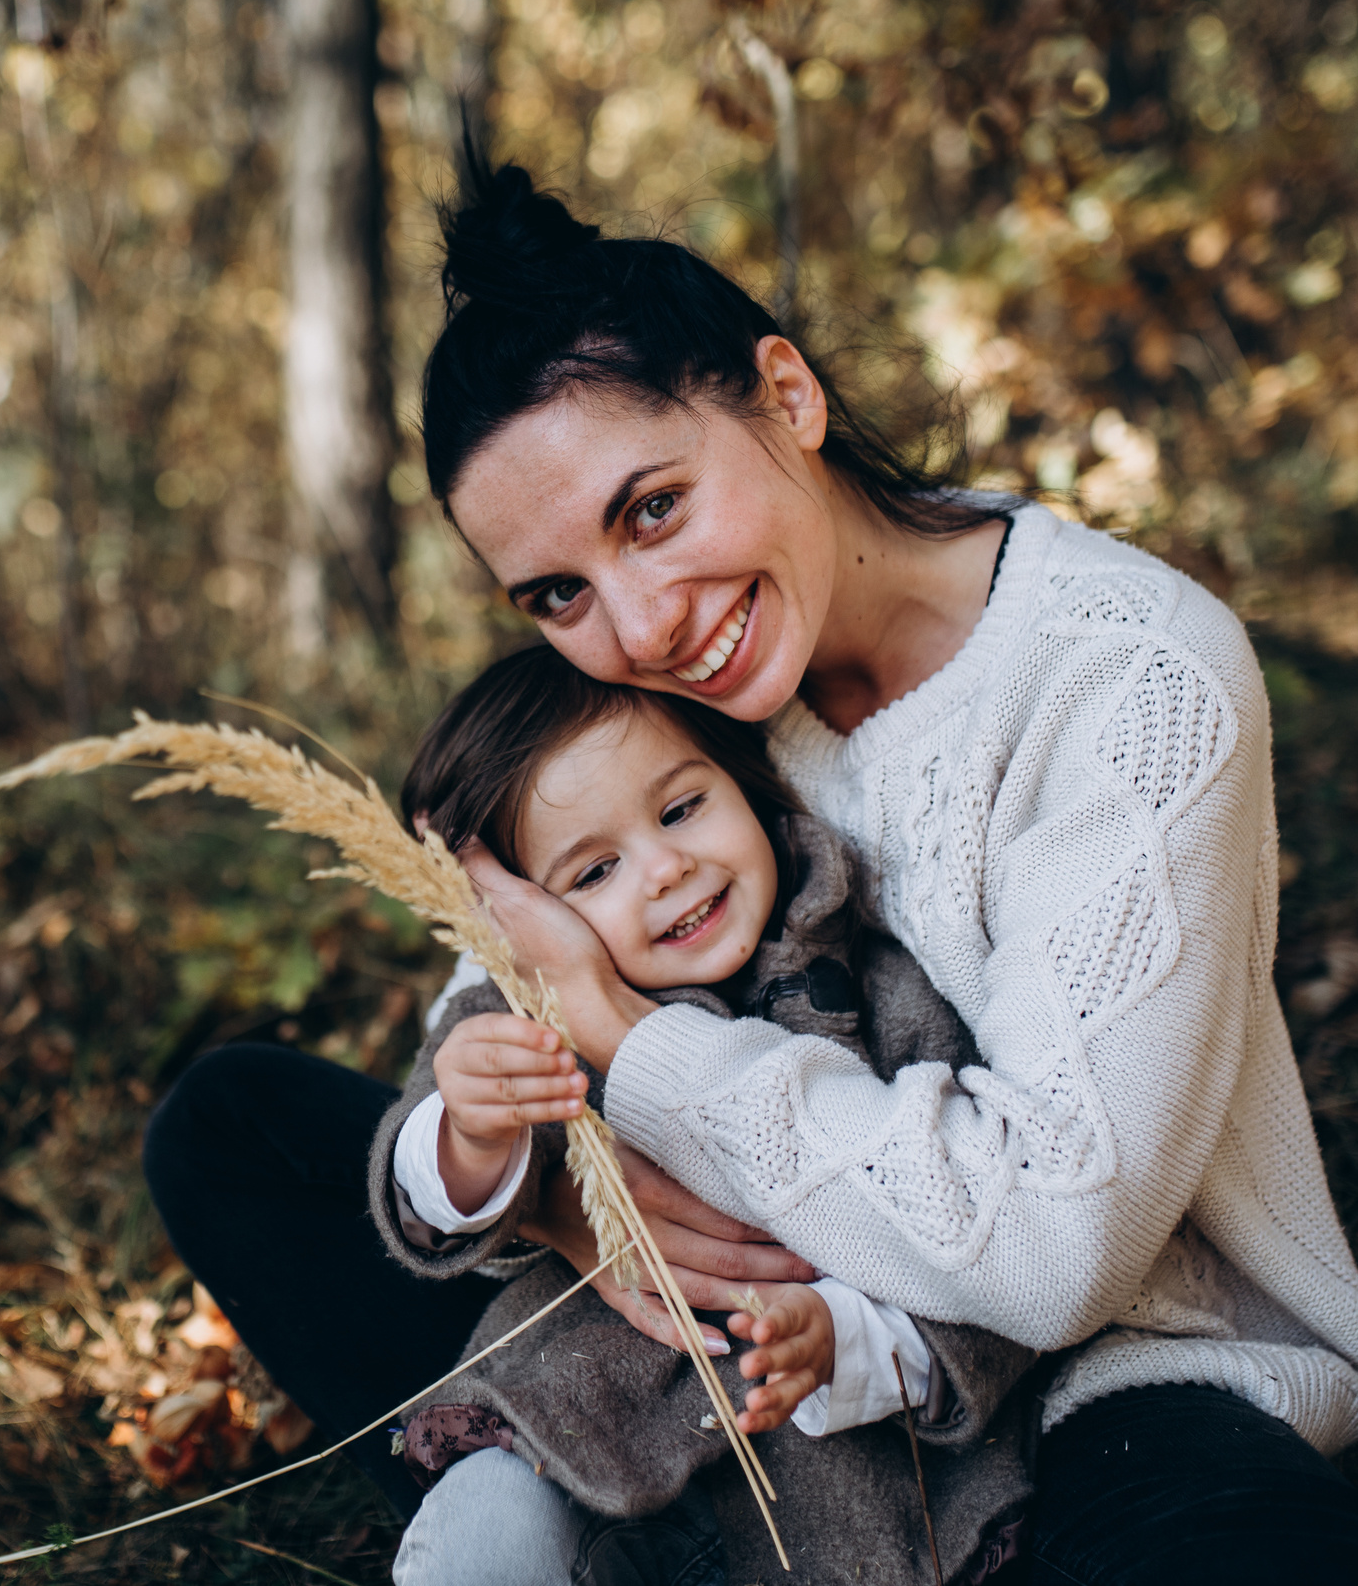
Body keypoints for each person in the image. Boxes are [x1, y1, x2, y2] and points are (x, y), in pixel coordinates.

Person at [145, 151, 1358, 1584]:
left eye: (653, 508)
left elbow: (1056, 1251)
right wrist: (574, 1200)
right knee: (228, 1125)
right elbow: (511, 992)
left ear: (787, 395)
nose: (641, 624)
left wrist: (635, 1051)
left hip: (1098, 1368)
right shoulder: (666, 697)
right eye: (556, 592)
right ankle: (594, 1507)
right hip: (705, 1360)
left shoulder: (1131, 679)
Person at [376, 644, 1035, 1586]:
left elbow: (990, 1253)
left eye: (682, 808)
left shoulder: (894, 997)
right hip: (578, 1444)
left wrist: (845, 1336)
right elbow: (424, 1187)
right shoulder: (521, 1012)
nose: (666, 867)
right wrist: (472, 1131)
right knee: (487, 1534)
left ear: (745, 781)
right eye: (594, 871)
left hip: (840, 1506)